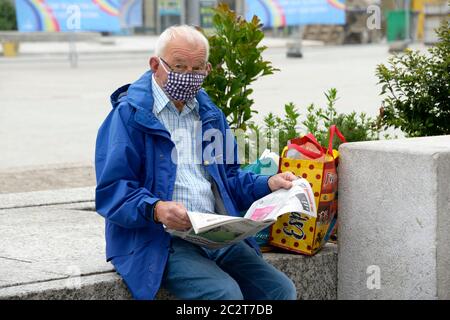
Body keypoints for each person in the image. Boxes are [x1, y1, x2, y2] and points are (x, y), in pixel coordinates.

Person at [95, 25, 298, 300]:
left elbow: (230, 178)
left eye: (197, 68)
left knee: (280, 291)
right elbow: (112, 192)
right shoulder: (128, 116)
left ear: (208, 70)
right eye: (179, 67)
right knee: (224, 295)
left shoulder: (210, 115)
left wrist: (269, 183)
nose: (188, 77)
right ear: (156, 64)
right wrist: (156, 209)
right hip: (159, 240)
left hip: (215, 233)